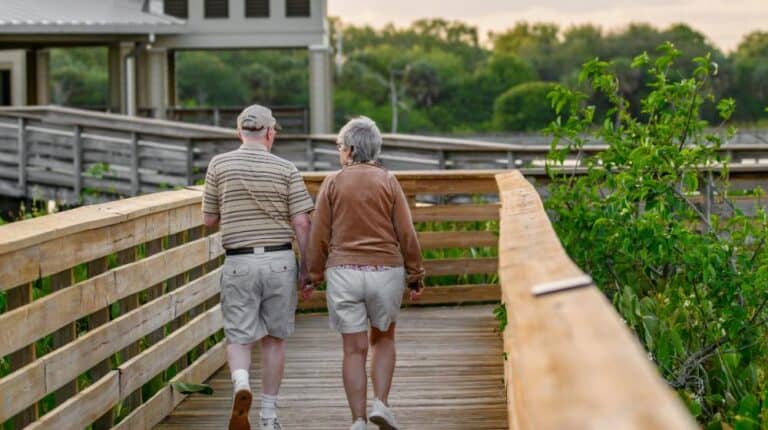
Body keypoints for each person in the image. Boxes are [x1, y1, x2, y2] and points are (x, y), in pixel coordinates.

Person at [306, 117, 425, 430]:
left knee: (353, 350)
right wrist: (416, 273)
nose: (339, 153)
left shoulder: (332, 182)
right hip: (385, 271)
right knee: (383, 339)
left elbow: (319, 233)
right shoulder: (388, 181)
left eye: (340, 147)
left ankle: (358, 420)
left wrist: (313, 274)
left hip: (344, 273)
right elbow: (406, 232)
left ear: (352, 149)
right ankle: (381, 404)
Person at [202, 104, 313, 430]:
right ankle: (268, 417)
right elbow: (302, 223)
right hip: (279, 261)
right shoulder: (286, 168)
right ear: (269, 133)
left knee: (239, 337)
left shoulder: (218, 165)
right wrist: (306, 270)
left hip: (239, 261)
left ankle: (240, 384)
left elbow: (209, 220)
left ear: (240, 132)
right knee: (274, 340)